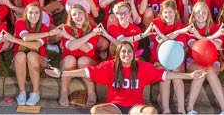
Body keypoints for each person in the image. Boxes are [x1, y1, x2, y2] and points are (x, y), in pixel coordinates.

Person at [45, 41, 205, 115]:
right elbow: (86, 72)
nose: (126, 54)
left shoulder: (142, 67)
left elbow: (166, 74)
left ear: (134, 54)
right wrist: (61, 73)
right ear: (118, 54)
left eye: (129, 52)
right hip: (114, 108)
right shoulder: (110, 66)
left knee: (151, 112)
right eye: (123, 52)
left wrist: (189, 75)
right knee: (95, 110)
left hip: (135, 108)